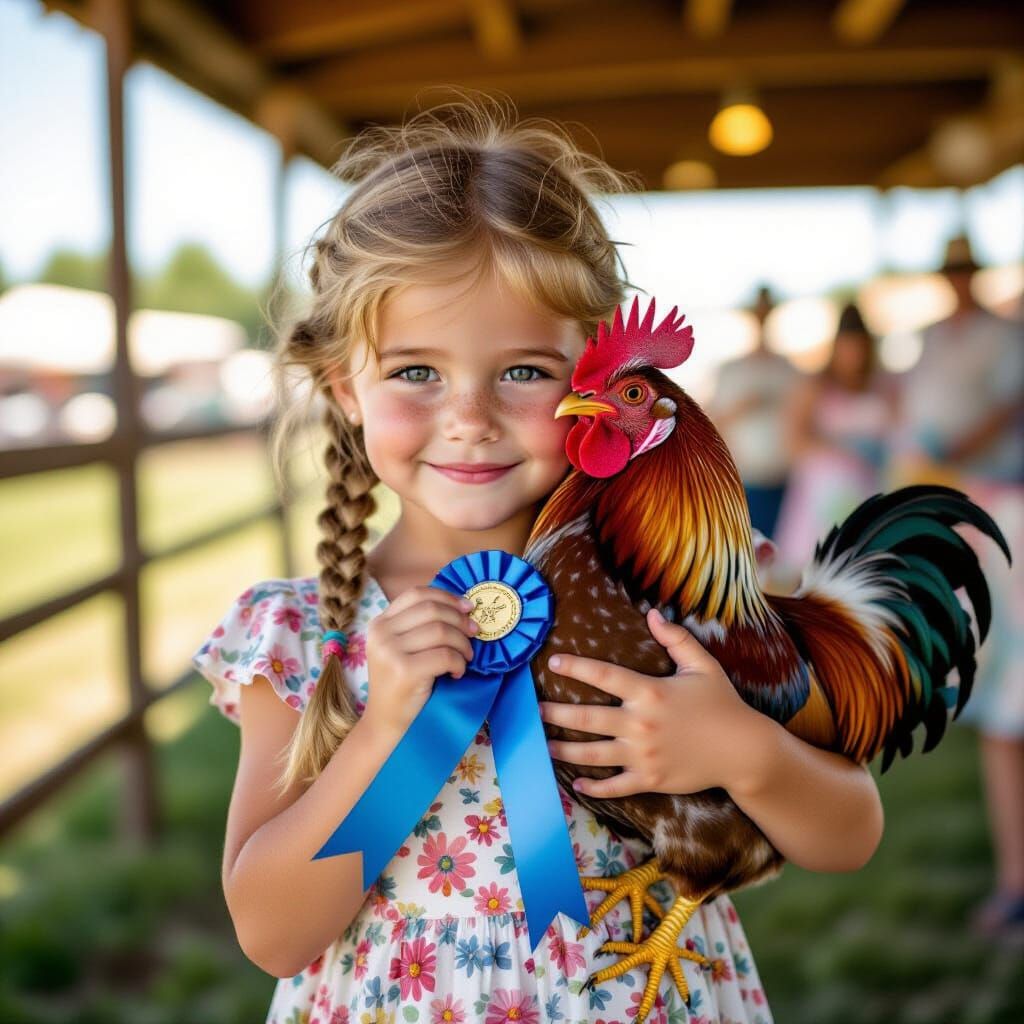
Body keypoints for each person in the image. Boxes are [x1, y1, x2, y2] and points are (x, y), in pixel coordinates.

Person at [191, 98, 884, 1024]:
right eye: (415, 372)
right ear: (342, 388)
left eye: (523, 371)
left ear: (592, 382)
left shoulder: (675, 599)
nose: (469, 415)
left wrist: (740, 748)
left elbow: (851, 834)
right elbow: (274, 935)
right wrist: (386, 728)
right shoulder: (300, 634)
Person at [893, 235, 1024, 940]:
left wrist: (955, 447)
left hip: (1009, 508)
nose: (957, 281)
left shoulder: (1008, 338)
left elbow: (1004, 413)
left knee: (1011, 702)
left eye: (965, 269)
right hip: (978, 515)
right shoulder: (932, 342)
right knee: (1002, 707)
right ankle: (1015, 880)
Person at [773, 302, 896, 578]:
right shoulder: (815, 385)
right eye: (848, 348)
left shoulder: (883, 384)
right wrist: (842, 450)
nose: (854, 356)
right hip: (822, 497)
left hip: (870, 490)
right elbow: (792, 442)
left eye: (859, 348)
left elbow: (898, 435)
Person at [708, 286, 798, 539]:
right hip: (745, 479)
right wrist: (743, 407)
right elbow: (712, 423)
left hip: (785, 477)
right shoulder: (731, 370)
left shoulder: (787, 369)